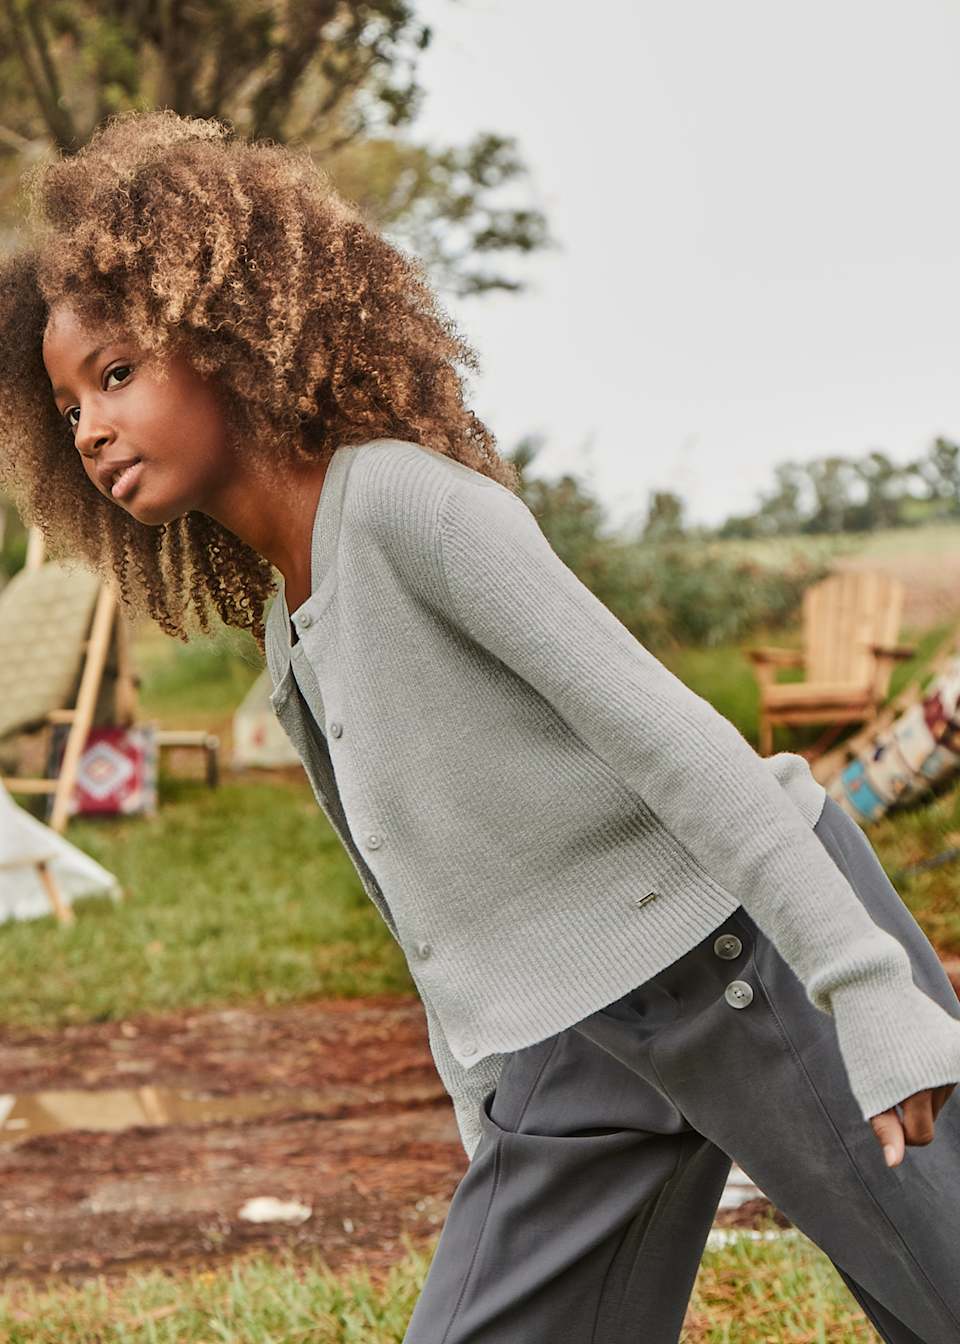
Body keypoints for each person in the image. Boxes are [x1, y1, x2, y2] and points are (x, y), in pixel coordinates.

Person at [2, 108, 959, 1342]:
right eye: (67, 405)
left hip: (750, 955)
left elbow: (678, 744)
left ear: (224, 338)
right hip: (577, 1045)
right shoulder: (292, 633)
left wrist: (868, 985)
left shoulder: (410, 507)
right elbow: (422, 905)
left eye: (117, 374)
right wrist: (483, 1098)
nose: (88, 428)